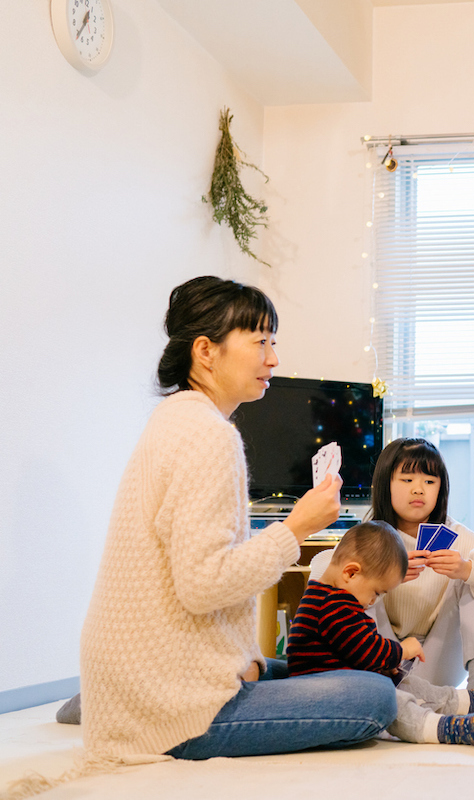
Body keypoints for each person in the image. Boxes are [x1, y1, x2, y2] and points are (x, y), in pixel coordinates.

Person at [75, 276, 398, 761]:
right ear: (206, 351)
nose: (274, 358)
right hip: (173, 713)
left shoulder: (175, 419)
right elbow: (203, 584)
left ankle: (106, 704)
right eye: (261, 342)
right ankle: (128, 711)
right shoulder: (209, 436)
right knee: (375, 695)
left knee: (286, 666)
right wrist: (297, 528)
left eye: (274, 342)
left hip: (148, 678)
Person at [308, 438, 474, 714]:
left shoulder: (454, 534)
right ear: (386, 483)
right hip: (377, 662)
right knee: (351, 578)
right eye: (406, 479)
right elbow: (321, 579)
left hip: (436, 660)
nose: (418, 489)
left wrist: (469, 570)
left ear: (441, 489)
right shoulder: (370, 536)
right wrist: (382, 573)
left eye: (429, 481)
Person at [288, 520, 474, 745]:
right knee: (391, 699)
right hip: (330, 697)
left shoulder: (326, 596)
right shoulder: (334, 604)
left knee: (407, 684)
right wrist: (401, 650)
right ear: (351, 573)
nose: (373, 601)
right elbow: (367, 651)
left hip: (341, 685)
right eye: (376, 592)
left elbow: (349, 652)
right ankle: (440, 729)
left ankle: (469, 701)